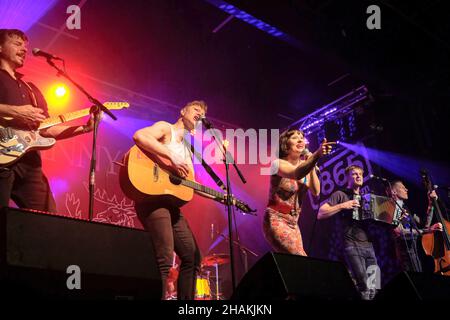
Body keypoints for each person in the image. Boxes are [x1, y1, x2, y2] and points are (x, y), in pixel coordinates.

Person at [0, 29, 98, 212]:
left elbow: (45, 130)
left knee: (47, 219)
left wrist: (84, 128)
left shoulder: (31, 89)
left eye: (25, 46)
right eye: (17, 44)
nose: (24, 50)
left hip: (30, 163)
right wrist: (15, 112)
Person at [132, 100, 208, 300]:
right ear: (183, 110)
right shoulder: (166, 129)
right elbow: (140, 136)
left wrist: (223, 197)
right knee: (165, 257)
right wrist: (171, 157)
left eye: (203, 114)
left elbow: (192, 185)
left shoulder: (189, 151)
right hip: (152, 199)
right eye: (196, 110)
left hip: (171, 205)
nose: (200, 114)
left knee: (193, 257)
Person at [263, 129, 332, 255]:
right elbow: (296, 173)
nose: (301, 140)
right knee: (301, 259)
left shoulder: (305, 165)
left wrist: (311, 161)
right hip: (276, 218)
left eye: (302, 137)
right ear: (285, 144)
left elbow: (316, 191)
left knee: (295, 265)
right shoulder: (277, 164)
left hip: (294, 223)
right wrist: (316, 155)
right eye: (295, 137)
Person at [318, 165, 379, 300]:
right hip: (351, 245)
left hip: (369, 246)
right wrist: (342, 205)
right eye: (354, 174)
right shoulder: (340, 194)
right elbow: (321, 213)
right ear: (347, 178)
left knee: (375, 286)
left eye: (360, 174)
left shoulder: (367, 199)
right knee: (364, 286)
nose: (358, 176)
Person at [389, 180, 443, 272]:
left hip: (415, 252)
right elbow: (399, 232)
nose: (406, 189)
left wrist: (431, 205)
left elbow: (425, 224)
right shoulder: (390, 207)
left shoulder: (406, 208)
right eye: (403, 187)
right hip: (404, 256)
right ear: (393, 191)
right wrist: (428, 230)